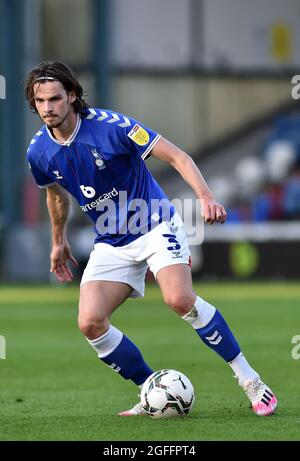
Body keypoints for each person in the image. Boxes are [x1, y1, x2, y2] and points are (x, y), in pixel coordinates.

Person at [25, 61, 277, 417]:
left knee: (179, 299)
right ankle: (150, 390)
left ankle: (251, 381)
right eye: (39, 101)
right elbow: (55, 195)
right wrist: (57, 240)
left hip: (154, 223)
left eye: (54, 98)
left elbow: (177, 156)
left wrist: (205, 197)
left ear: (73, 96)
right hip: (111, 240)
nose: (47, 108)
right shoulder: (38, 152)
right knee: (90, 322)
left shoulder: (111, 127)